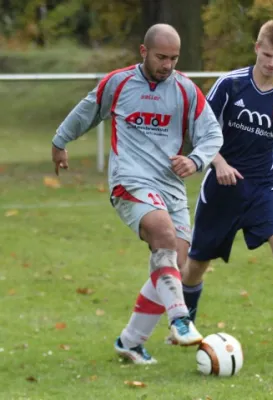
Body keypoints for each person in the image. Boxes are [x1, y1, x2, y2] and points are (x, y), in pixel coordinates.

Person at [51, 23, 223, 364]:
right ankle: (181, 319)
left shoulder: (186, 90)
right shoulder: (118, 83)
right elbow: (86, 112)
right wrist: (60, 141)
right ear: (144, 52)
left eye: (174, 58)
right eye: (161, 57)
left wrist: (195, 159)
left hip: (170, 187)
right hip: (128, 181)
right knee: (162, 233)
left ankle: (130, 342)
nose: (167, 65)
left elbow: (212, 134)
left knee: (178, 262)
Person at [179, 20, 273, 354]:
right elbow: (201, 130)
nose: (272, 63)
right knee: (197, 263)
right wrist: (219, 163)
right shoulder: (229, 85)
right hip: (222, 188)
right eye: (268, 54)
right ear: (256, 47)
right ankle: (183, 323)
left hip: (264, 188)